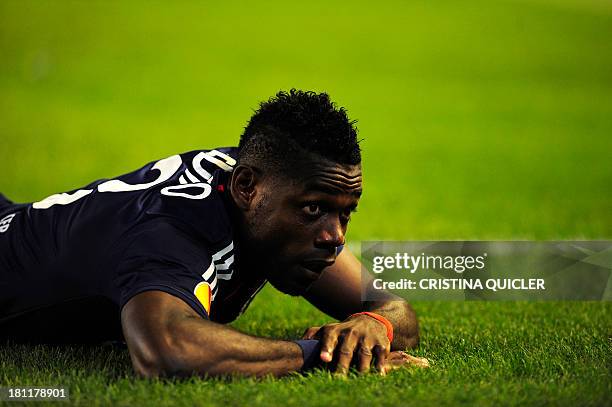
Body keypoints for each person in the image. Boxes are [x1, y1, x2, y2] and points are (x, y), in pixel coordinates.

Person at [0, 89, 426, 377]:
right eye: (314, 209)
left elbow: (392, 307)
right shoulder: (173, 230)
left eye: (345, 213)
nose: (335, 237)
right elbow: (165, 349)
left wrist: (373, 326)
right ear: (246, 188)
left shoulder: (268, 191)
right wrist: (318, 355)